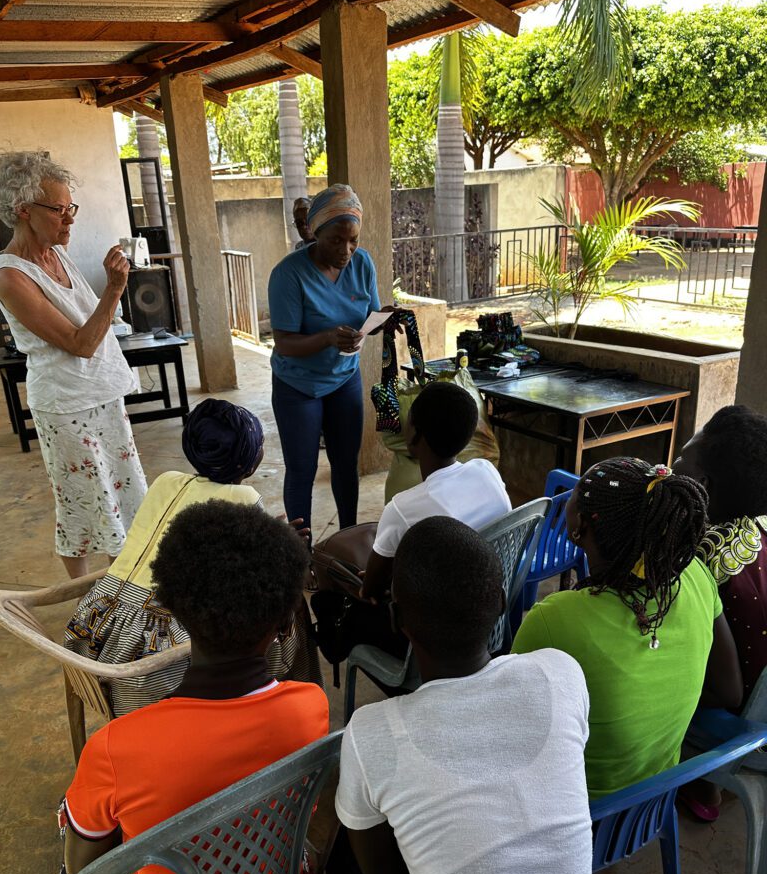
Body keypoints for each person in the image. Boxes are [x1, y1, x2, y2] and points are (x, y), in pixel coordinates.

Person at [331, 516, 605, 874]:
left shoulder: (372, 734)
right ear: (501, 601)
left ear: (397, 622)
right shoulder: (561, 675)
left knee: (346, 864)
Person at [61, 501, 329, 874]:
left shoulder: (118, 747)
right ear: (284, 622)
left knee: (82, 838)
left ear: (175, 610)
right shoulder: (309, 708)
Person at [512, 457, 743, 799]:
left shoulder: (554, 619)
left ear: (579, 527)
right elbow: (732, 693)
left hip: (579, 809)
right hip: (654, 798)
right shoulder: (695, 575)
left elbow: (513, 727)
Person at [64, 398, 272, 715]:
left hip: (88, 634)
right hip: (147, 667)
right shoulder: (243, 498)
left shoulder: (166, 481)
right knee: (280, 611)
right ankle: (266, 701)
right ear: (250, 463)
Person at [0, 150, 146, 578]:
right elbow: (79, 343)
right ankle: (89, 601)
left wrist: (110, 303)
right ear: (22, 210)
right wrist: (115, 289)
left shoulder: (57, 254)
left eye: (71, 208)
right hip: (66, 405)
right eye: (59, 210)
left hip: (100, 392)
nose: (69, 220)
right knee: (83, 502)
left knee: (123, 493)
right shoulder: (11, 275)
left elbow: (90, 323)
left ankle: (122, 597)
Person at [268, 183, 380, 535]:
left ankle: (349, 537)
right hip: (298, 384)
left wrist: (381, 321)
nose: (346, 250)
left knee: (346, 465)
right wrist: (329, 338)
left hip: (344, 378)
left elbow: (370, 315)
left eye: (353, 241)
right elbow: (284, 342)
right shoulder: (289, 274)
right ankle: (302, 556)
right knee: (302, 469)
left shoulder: (362, 263)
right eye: (336, 240)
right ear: (316, 233)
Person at [361, 381, 511, 603]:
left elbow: (371, 589)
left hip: (436, 625)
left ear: (414, 434)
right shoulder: (487, 472)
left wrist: (373, 584)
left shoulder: (402, 509)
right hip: (490, 606)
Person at [674, 405, 767, 705]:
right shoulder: (759, 529)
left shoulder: (701, 557)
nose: (671, 465)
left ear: (702, 485)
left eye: (680, 460)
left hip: (730, 722)